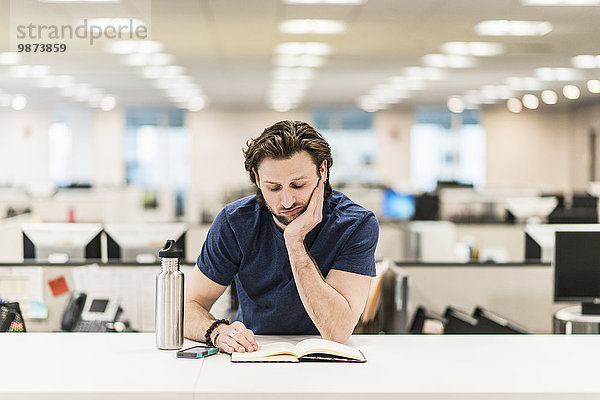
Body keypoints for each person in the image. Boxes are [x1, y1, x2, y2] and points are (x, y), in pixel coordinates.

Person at [184, 120, 379, 354]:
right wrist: (216, 331)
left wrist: (295, 242)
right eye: (273, 188)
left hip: (327, 355)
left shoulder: (355, 224)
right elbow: (187, 308)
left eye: (298, 185)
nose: (286, 202)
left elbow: (337, 332)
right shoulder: (235, 222)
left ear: (322, 171)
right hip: (254, 353)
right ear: (256, 177)